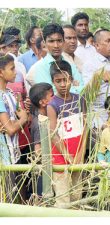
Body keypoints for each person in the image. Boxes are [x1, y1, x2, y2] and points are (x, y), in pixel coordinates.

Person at [47, 60, 87, 208]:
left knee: (77, 195)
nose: (63, 84)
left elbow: (85, 127)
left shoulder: (80, 100)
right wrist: (67, 155)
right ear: (53, 82)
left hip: (78, 154)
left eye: (66, 80)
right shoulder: (52, 105)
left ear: (71, 78)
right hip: (60, 158)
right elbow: (53, 133)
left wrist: (80, 153)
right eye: (58, 81)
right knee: (63, 198)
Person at [82, 29, 110, 134]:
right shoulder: (91, 65)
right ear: (96, 45)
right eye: (108, 41)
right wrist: (97, 77)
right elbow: (86, 95)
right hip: (102, 123)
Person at [0, 53, 29, 201]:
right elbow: (10, 129)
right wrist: (23, 119)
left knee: (17, 194)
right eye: (11, 69)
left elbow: (19, 118)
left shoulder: (10, 93)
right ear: (1, 72)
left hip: (14, 152)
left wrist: (23, 117)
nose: (15, 72)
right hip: (4, 157)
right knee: (8, 197)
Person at [32, 23, 84, 94]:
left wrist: (60, 90)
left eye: (59, 41)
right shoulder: (41, 67)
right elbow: (50, 94)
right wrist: (73, 87)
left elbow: (82, 89)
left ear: (63, 41)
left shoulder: (70, 65)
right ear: (44, 43)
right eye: (51, 41)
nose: (56, 46)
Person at [28, 82, 54, 196]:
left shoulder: (45, 117)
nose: (55, 97)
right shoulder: (40, 122)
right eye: (52, 95)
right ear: (43, 102)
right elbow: (38, 151)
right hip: (44, 173)